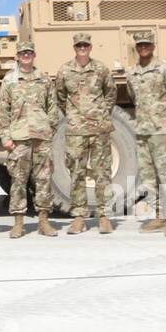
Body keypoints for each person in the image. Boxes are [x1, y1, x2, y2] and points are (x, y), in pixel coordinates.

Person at [126, 30, 166, 236]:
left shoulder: (165, 69)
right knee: (149, 177)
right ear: (136, 48)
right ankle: (159, 216)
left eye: (147, 44)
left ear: (153, 46)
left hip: (162, 131)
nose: (143, 48)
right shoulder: (132, 72)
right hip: (143, 131)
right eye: (140, 45)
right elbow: (133, 97)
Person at [54, 32, 117, 234]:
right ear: (74, 48)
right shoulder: (64, 71)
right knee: (76, 173)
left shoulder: (100, 69)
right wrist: (74, 115)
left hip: (99, 129)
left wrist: (101, 113)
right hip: (76, 131)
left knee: (102, 173)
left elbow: (111, 93)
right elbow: (60, 97)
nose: (82, 48)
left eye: (85, 45)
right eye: (79, 46)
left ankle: (104, 215)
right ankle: (79, 216)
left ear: (90, 47)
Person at [0, 40, 60, 237]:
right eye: (23, 53)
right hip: (18, 137)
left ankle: (43, 221)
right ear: (17, 56)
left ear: (34, 55)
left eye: (29, 53)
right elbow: (2, 111)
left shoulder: (44, 79)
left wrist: (50, 128)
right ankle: (18, 222)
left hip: (41, 136)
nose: (26, 56)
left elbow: (53, 105)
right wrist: (6, 136)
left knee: (43, 180)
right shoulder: (9, 81)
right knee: (18, 179)